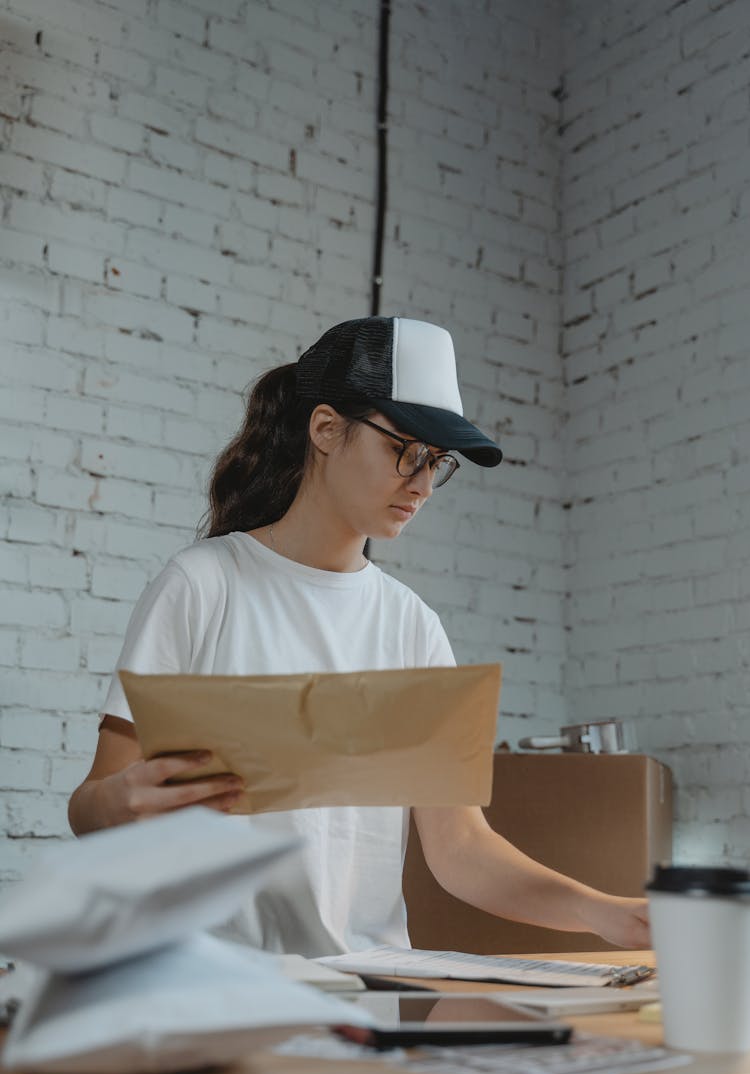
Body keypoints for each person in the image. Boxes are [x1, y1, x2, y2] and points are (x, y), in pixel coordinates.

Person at [68, 316, 650, 955]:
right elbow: (90, 807)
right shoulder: (204, 585)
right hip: (210, 991)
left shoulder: (413, 628)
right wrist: (125, 802)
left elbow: (460, 849)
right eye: (405, 449)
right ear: (325, 429)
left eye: (437, 462)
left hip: (362, 1004)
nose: (423, 484)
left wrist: (607, 913)